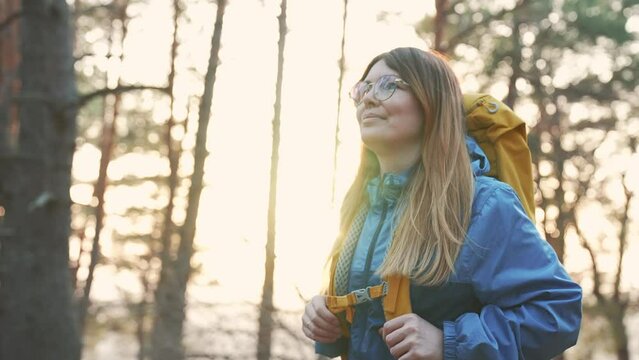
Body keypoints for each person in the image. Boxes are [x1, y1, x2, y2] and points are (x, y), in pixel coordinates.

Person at [301, 47, 582, 360]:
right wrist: (328, 319)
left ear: (431, 102)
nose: (367, 98)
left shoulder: (484, 204)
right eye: (363, 87)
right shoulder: (360, 207)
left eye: (388, 85)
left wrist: (449, 344)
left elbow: (557, 310)